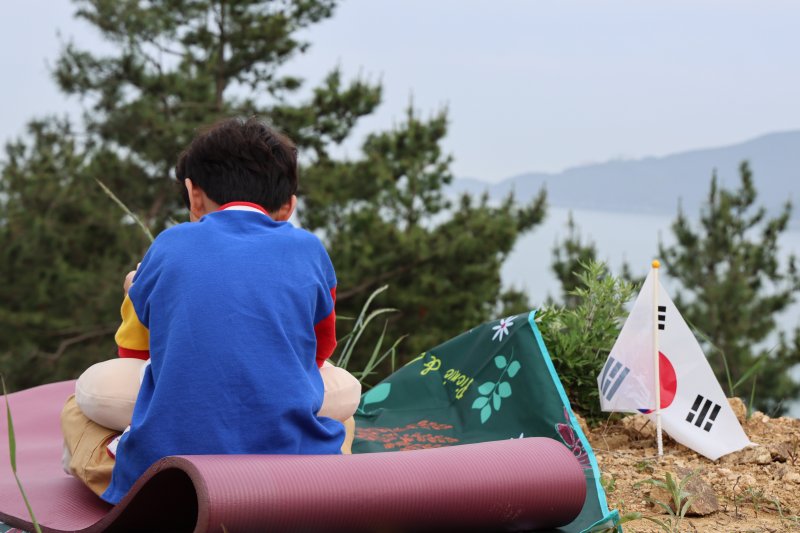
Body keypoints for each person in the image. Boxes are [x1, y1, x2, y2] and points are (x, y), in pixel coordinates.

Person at [60, 117, 360, 504]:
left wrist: (133, 291)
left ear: (193, 194)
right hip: (293, 477)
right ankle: (331, 471)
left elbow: (133, 355)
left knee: (76, 410)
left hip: (170, 481)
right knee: (344, 416)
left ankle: (109, 469)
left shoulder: (169, 245)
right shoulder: (311, 251)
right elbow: (319, 355)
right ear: (288, 206)